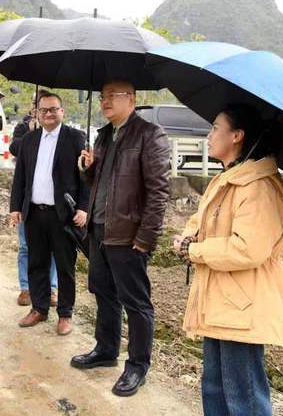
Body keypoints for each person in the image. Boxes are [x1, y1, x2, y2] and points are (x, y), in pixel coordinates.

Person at [173, 104, 283, 416]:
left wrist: (195, 251)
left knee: (244, 397)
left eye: (215, 128)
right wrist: (188, 239)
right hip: (220, 303)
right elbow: (200, 221)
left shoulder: (258, 187)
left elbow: (248, 248)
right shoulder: (227, 180)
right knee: (215, 388)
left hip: (242, 308)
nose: (209, 135)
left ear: (237, 136)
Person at [72, 79, 170, 397]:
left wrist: (146, 237)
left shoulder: (149, 134)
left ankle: (137, 365)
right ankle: (106, 349)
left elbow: (158, 192)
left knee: (136, 302)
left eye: (112, 96)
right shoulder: (104, 135)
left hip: (128, 235)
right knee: (103, 292)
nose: (105, 101)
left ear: (132, 99)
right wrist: (87, 169)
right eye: (103, 96)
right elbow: (100, 183)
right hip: (99, 228)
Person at [9, 92, 88, 335]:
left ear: (62, 111)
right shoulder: (29, 139)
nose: (49, 114)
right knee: (37, 263)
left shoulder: (75, 138)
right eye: (43, 110)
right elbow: (20, 177)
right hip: (34, 212)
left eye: (53, 109)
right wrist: (15, 207)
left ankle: (65, 314)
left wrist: (83, 207)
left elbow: (85, 177)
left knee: (65, 266)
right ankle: (39, 308)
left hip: (62, 214)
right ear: (37, 113)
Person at [9, 91, 58, 307]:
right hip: (28, 200)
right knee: (26, 246)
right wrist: (30, 133)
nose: (43, 111)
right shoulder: (23, 128)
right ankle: (26, 287)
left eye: (48, 108)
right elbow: (13, 149)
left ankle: (52, 288)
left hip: (52, 202)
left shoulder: (60, 132)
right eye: (39, 107)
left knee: (53, 248)